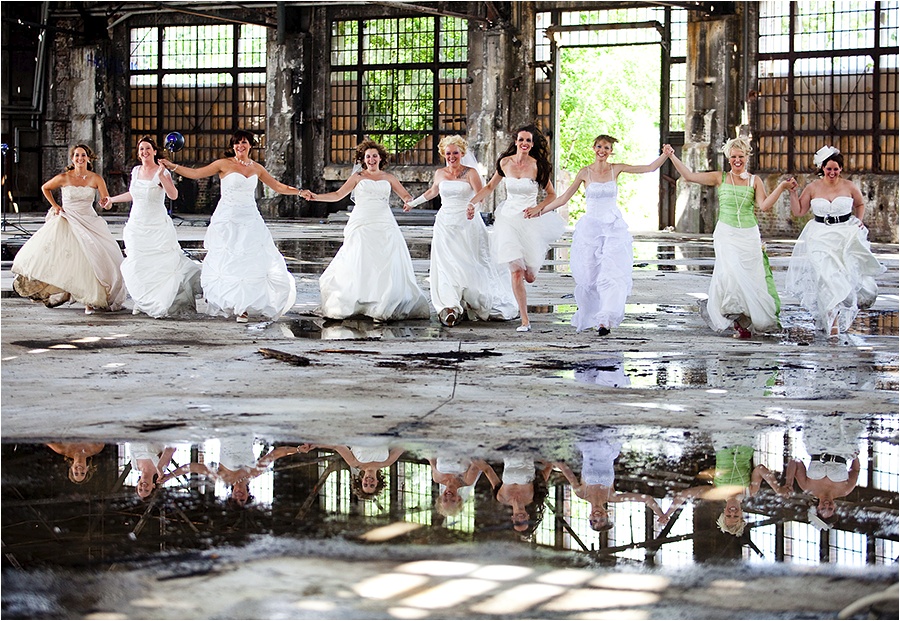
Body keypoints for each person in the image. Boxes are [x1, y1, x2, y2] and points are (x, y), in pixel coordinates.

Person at [530, 136, 671, 336]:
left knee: (610, 273)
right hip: (591, 229)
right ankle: (591, 313)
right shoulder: (584, 172)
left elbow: (648, 168)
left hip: (613, 229)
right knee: (590, 276)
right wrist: (540, 210)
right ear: (593, 148)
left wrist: (665, 155)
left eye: (606, 147)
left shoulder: (616, 169)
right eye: (599, 146)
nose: (602, 150)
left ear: (611, 151)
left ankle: (605, 318)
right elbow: (563, 198)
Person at [161, 130, 297, 323]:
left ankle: (245, 305)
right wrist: (173, 166)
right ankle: (235, 304)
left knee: (250, 259)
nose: (239, 146)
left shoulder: (257, 168)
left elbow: (277, 186)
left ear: (250, 145)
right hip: (228, 217)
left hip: (250, 217)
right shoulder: (223, 164)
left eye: (243, 143)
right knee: (229, 258)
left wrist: (300, 192)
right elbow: (196, 173)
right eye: (236, 143)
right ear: (233, 146)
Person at [666, 138, 796, 338]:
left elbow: (764, 206)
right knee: (731, 274)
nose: (737, 160)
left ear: (747, 157)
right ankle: (737, 321)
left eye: (741, 156)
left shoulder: (755, 181)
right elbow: (689, 176)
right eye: (733, 157)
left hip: (749, 234)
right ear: (728, 158)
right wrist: (672, 155)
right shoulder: (720, 177)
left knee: (751, 278)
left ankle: (747, 321)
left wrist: (781, 187)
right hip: (726, 233)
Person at [301, 140, 430, 321]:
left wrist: (408, 201)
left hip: (384, 221)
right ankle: (358, 298)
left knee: (385, 259)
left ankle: (382, 300)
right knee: (359, 256)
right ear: (363, 159)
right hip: (361, 221)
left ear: (380, 158)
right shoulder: (357, 177)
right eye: (368, 156)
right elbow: (338, 195)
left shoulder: (389, 177)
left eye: (374, 156)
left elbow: (405, 195)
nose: (371, 159)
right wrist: (316, 197)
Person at [404, 135, 518, 326]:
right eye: (448, 153)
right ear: (443, 154)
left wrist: (474, 209)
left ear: (462, 153)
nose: (451, 156)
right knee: (447, 265)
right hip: (445, 225)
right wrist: (413, 203)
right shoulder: (440, 173)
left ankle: (472, 301)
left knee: (469, 264)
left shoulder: (471, 173)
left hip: (467, 224)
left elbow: (481, 196)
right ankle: (450, 306)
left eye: (455, 153)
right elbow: (432, 192)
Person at [467, 125, 565, 332]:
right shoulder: (505, 162)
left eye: (528, 141)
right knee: (517, 272)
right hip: (508, 220)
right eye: (521, 140)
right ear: (516, 141)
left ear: (532, 144)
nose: (525, 144)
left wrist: (538, 208)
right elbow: (489, 187)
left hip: (529, 221)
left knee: (529, 275)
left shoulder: (537, 166)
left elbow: (551, 194)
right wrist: (472, 203)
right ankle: (525, 320)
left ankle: (530, 273)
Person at [12, 144, 126, 314]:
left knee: (95, 258)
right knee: (76, 259)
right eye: (77, 156)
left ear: (88, 158)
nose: (80, 159)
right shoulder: (65, 177)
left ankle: (90, 300)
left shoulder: (96, 178)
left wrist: (105, 203)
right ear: (72, 159)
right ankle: (83, 299)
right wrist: (56, 206)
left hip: (88, 220)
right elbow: (45, 188)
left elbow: (106, 202)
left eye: (83, 155)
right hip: (69, 219)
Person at [786, 146, 885, 336]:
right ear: (822, 168)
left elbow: (860, 203)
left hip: (844, 234)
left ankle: (842, 305)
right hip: (818, 235)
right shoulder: (813, 187)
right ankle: (833, 322)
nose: (832, 172)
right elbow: (799, 211)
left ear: (840, 169)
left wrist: (859, 220)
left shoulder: (848, 186)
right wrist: (792, 193)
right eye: (829, 168)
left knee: (841, 275)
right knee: (825, 276)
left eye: (836, 169)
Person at [103, 136, 201, 318]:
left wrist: (164, 176)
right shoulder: (136, 170)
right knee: (137, 263)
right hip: (136, 224)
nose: (144, 152)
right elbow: (133, 194)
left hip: (156, 225)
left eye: (148, 148)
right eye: (141, 149)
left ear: (155, 151)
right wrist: (112, 199)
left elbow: (173, 195)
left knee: (159, 265)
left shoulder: (161, 171)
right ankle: (142, 300)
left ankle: (158, 300)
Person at [663, 445, 789, 537]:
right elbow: (760, 469)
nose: (732, 512)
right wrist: (778, 489)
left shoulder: (716, 492)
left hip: (723, 444)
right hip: (745, 445)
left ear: (724, 512)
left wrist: (667, 513)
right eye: (736, 516)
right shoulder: (751, 491)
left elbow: (685, 494)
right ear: (741, 514)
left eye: (729, 515)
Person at [549, 434, 667, 531]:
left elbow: (566, 470)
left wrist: (549, 460)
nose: (598, 517)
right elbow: (647, 499)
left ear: (589, 517)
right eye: (602, 520)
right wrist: (661, 514)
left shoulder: (581, 493)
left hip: (589, 448)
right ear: (606, 515)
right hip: (610, 449)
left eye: (594, 520)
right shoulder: (613, 497)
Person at [161, 439, 304, 507]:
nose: (238, 496)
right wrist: (298, 450)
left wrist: (168, 476)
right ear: (248, 496)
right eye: (242, 500)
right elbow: (276, 453)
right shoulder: (254, 473)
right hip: (246, 430)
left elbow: (191, 467)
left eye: (234, 499)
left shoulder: (223, 478)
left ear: (231, 495)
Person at [298, 442, 405, 501]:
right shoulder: (386, 462)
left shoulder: (354, 463)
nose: (369, 481)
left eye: (365, 484)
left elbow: (337, 446)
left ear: (361, 481)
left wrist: (316, 445)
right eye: (371, 485)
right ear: (377, 483)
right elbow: (403, 445)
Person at [479, 454, 552, 535]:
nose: (520, 519)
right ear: (528, 517)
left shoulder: (501, 497)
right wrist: (538, 456)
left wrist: (469, 455)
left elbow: (487, 470)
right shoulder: (535, 495)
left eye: (517, 522)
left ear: (512, 519)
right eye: (524, 522)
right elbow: (548, 466)